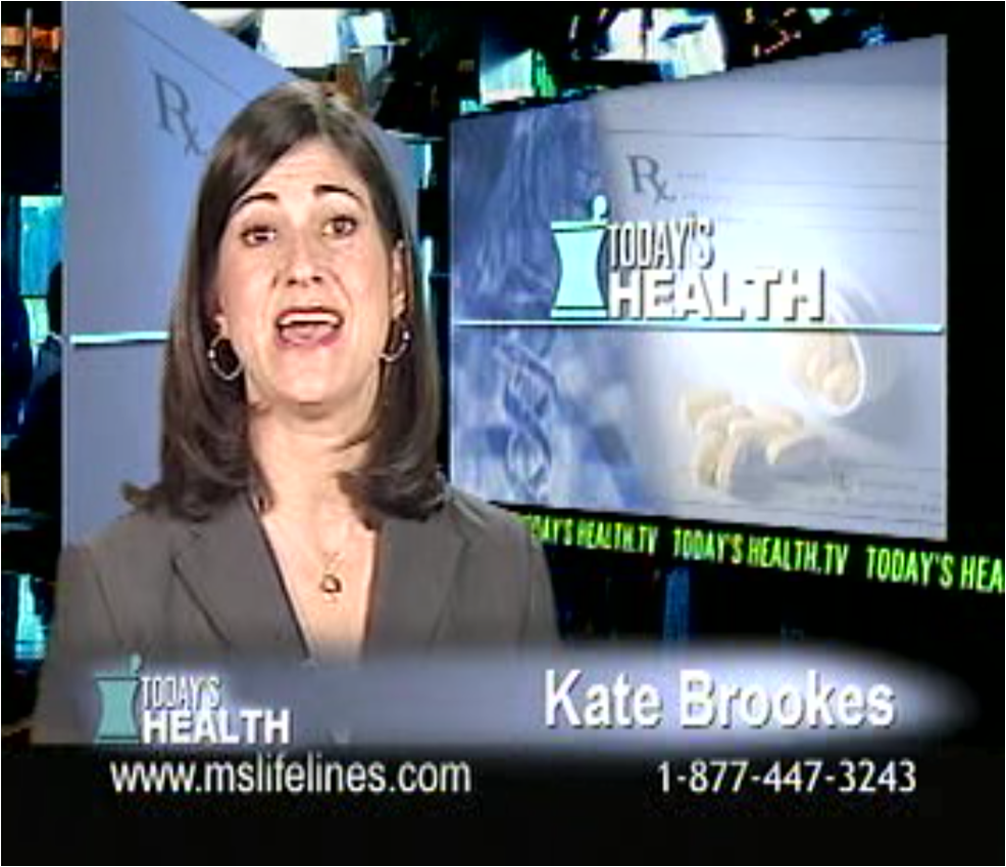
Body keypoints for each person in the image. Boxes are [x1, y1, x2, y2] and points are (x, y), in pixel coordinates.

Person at [33, 80, 558, 742]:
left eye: (338, 225)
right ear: (215, 303)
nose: (302, 265)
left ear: (398, 283)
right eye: (259, 232)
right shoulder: (114, 585)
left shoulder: (505, 569)